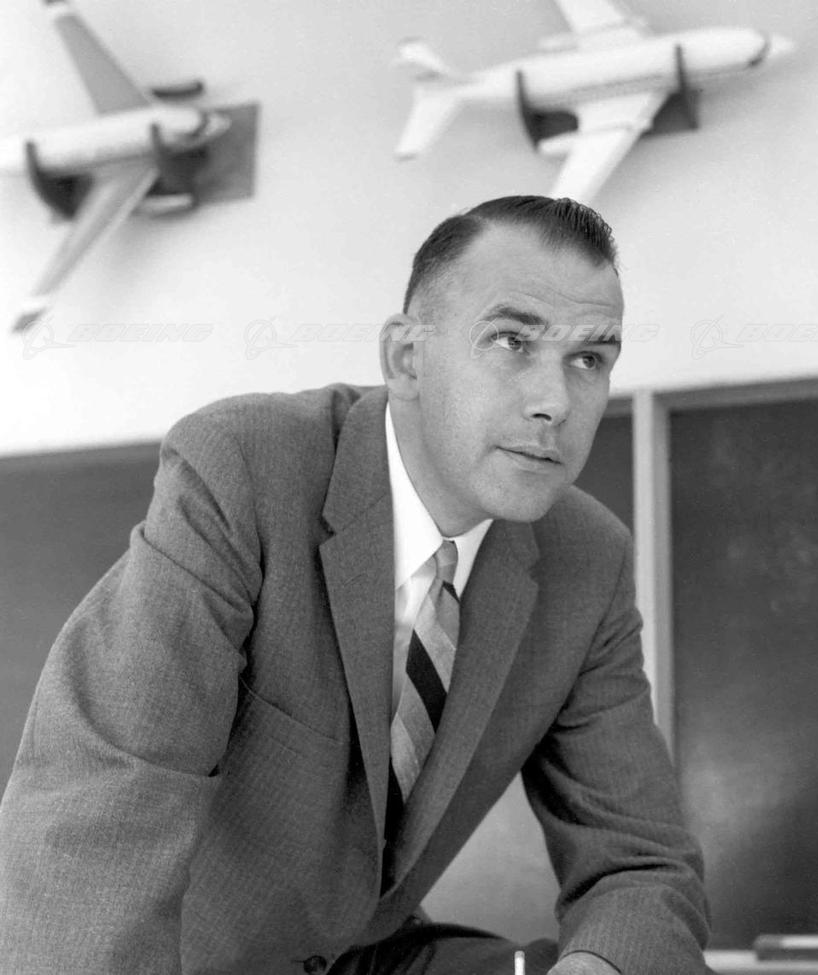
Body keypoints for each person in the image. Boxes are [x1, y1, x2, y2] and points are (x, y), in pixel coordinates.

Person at [0, 196, 710, 975]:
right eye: (512, 341)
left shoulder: (588, 559)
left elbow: (642, 862)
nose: (557, 402)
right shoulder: (246, 469)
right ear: (406, 358)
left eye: (590, 359)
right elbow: (105, 801)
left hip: (367, 954)